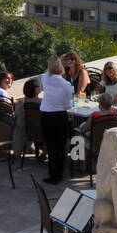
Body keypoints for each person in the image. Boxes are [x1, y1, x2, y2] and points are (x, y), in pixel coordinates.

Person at [39, 55, 74, 185]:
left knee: (51, 146)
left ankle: (52, 174)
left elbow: (46, 74)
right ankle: (59, 173)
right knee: (60, 146)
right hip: (60, 116)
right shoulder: (66, 84)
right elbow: (67, 105)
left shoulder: (44, 78)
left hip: (46, 117)